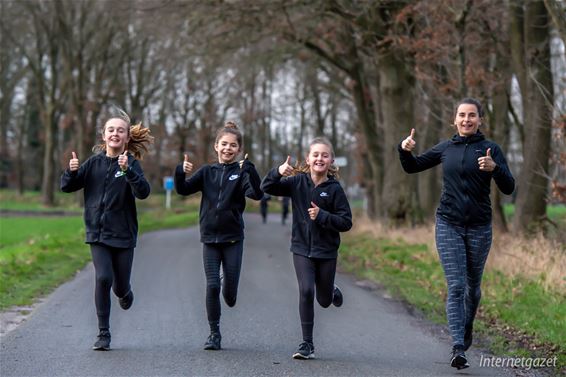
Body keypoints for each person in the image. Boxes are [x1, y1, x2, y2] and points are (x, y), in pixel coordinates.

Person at [398, 98, 515, 370]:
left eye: (471, 115)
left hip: (479, 226)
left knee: (473, 289)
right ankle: (458, 347)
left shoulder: (491, 150)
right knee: (457, 286)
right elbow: (412, 166)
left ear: (480, 120)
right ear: (454, 120)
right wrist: (404, 150)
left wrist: (495, 169)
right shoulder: (445, 148)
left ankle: (467, 326)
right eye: (461, 115)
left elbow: (509, 187)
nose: (466, 120)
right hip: (448, 223)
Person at [61, 110, 153, 351]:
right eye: (111, 130)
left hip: (123, 234)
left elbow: (143, 192)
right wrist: (71, 172)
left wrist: (128, 170)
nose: (115, 133)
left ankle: (125, 292)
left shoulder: (131, 164)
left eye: (120, 130)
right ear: (104, 135)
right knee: (103, 278)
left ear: (127, 138)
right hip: (97, 233)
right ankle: (103, 333)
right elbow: (68, 187)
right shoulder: (93, 163)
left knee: (119, 286)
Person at [174, 121, 263, 351]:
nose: (227, 149)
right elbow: (183, 189)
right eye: (224, 144)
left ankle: (230, 289)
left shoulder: (241, 172)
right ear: (216, 146)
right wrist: (180, 172)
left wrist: (250, 171)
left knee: (230, 296)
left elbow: (256, 194)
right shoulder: (207, 172)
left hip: (233, 238)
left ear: (239, 149)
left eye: (233, 145)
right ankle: (214, 334)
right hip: (210, 239)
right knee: (212, 285)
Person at [261, 137, 352, 360]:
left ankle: (330, 290)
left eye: (324, 155)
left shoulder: (334, 190)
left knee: (323, 299)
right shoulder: (297, 182)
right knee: (306, 291)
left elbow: (346, 222)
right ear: (308, 159)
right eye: (315, 154)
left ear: (331, 161)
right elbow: (266, 187)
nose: (320, 158)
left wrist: (323, 216)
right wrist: (279, 171)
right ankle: (307, 344)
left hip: (326, 251)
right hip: (301, 248)